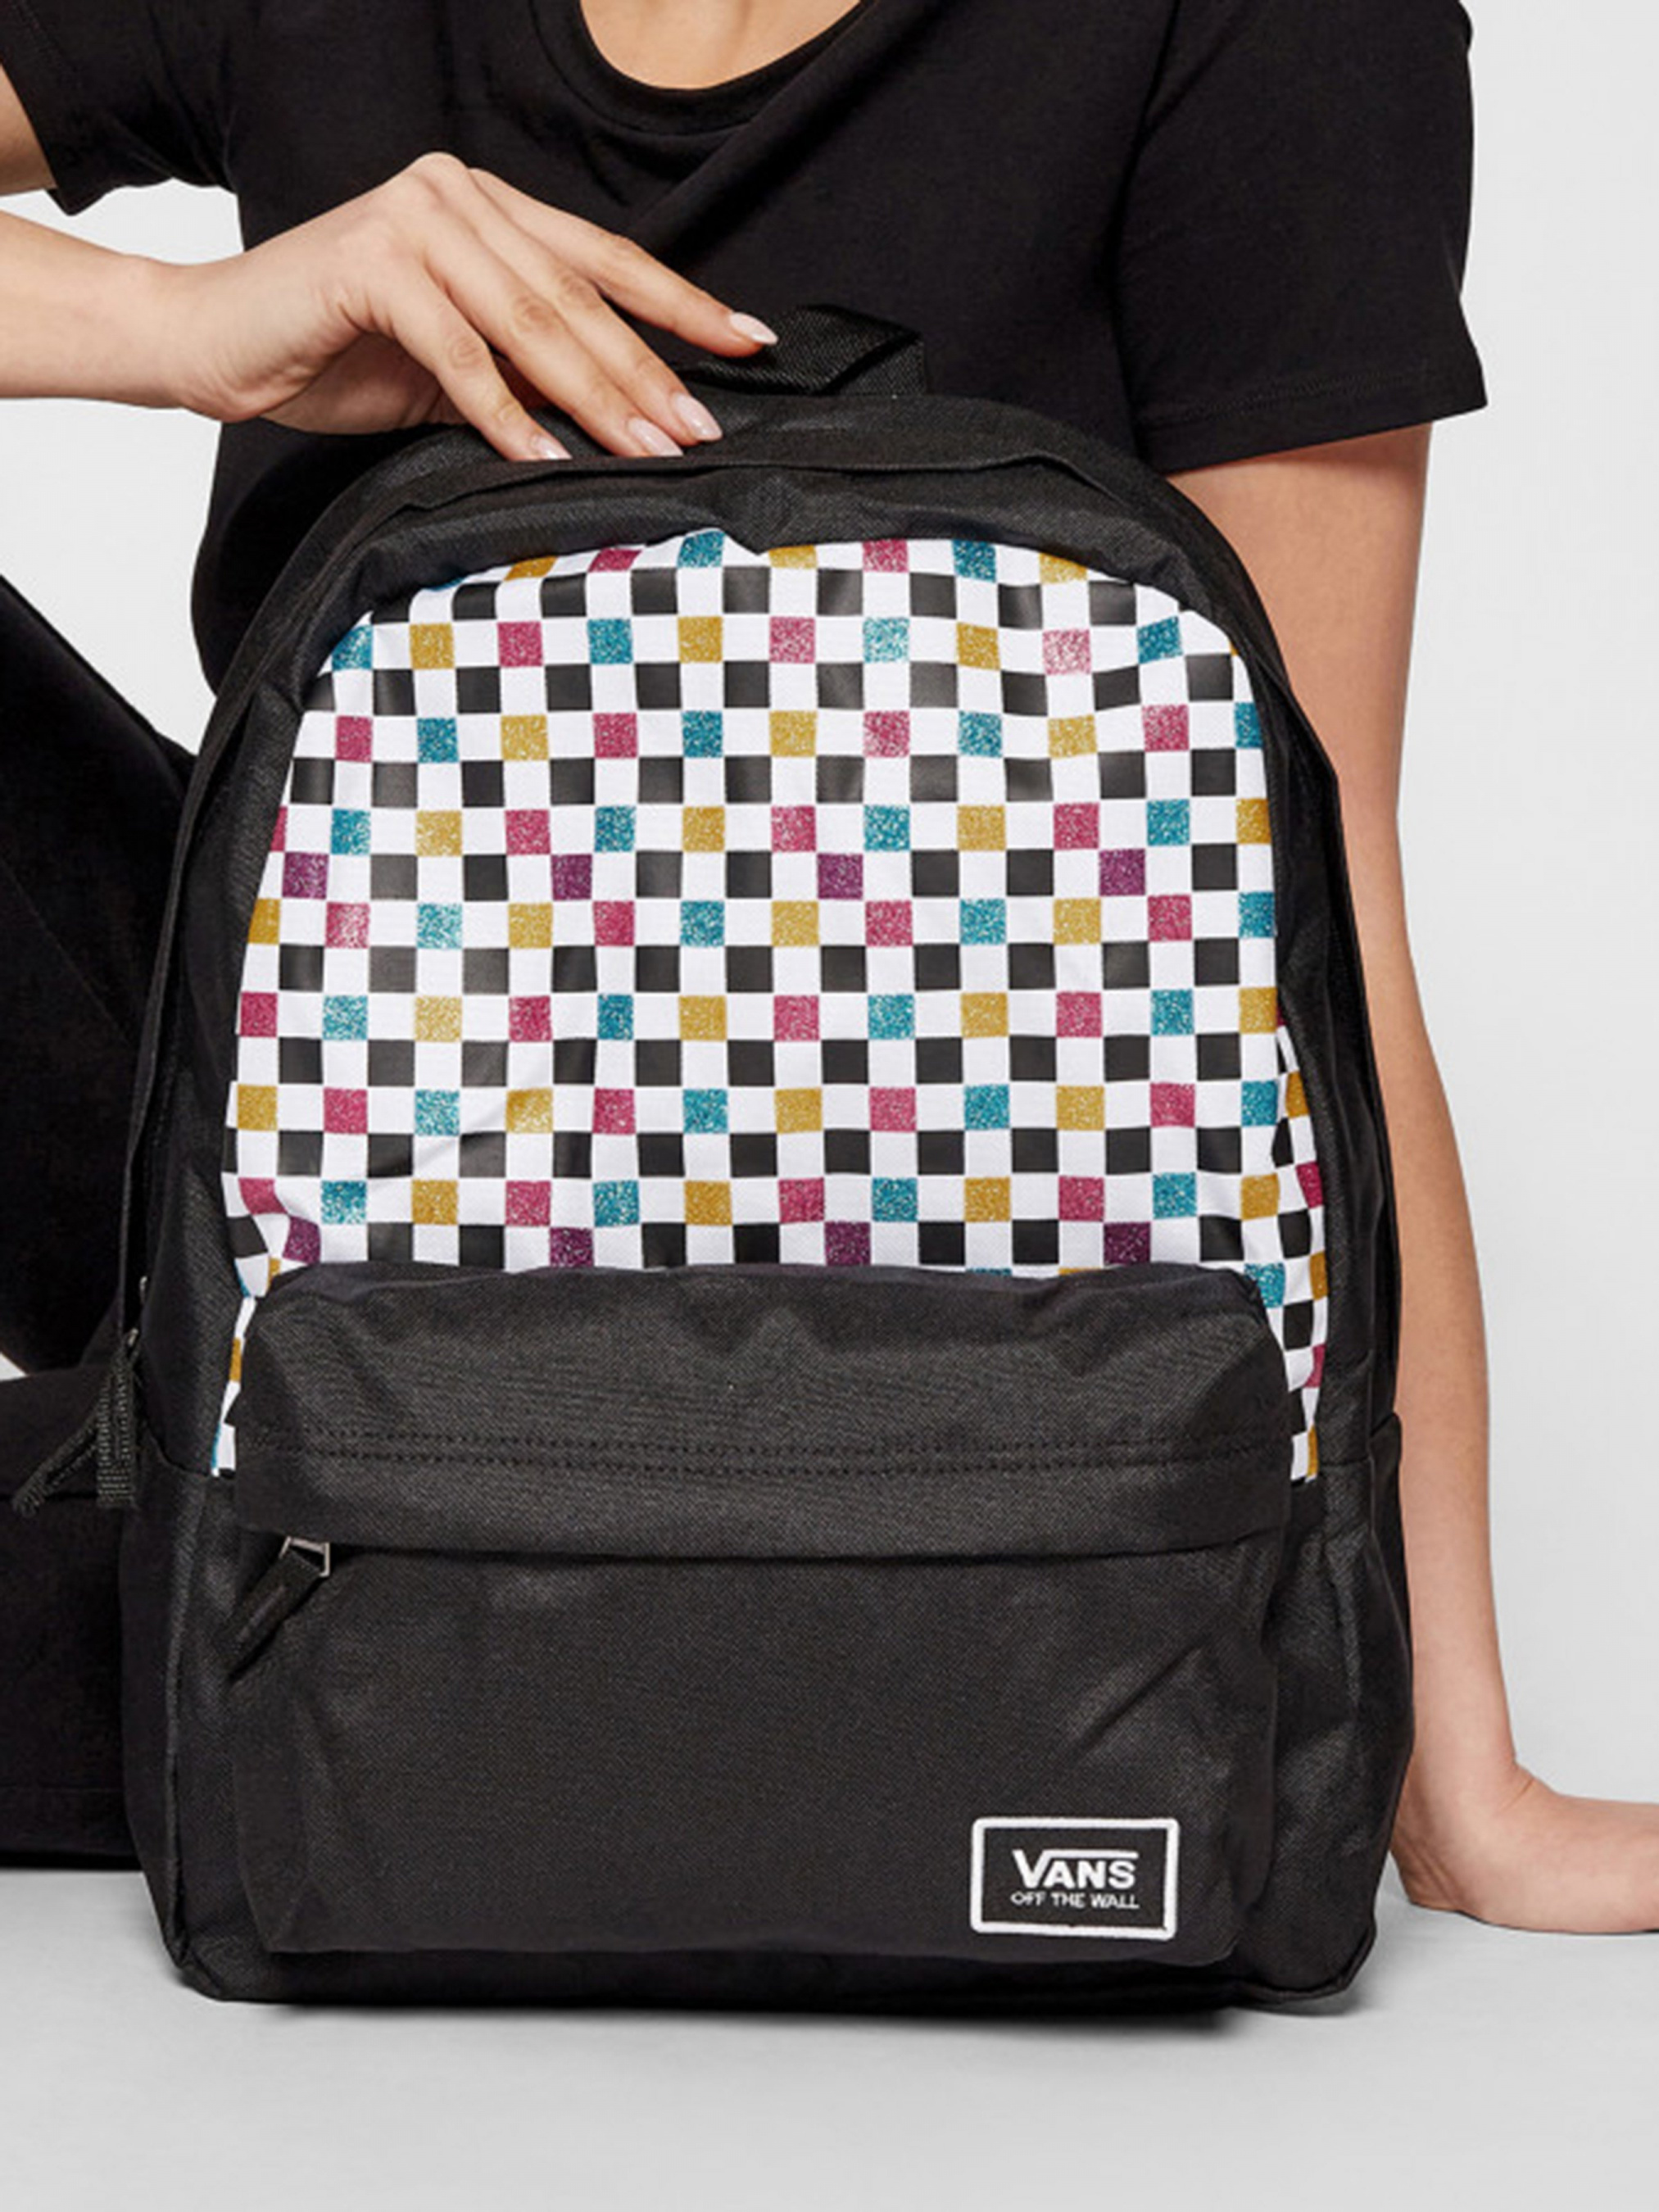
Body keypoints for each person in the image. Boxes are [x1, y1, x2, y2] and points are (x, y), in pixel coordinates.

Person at [0, 0, 1653, 1935]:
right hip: (341, 1173)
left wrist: (1447, 1780)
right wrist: (185, 331)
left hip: (943, 1302)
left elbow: (1313, 886)